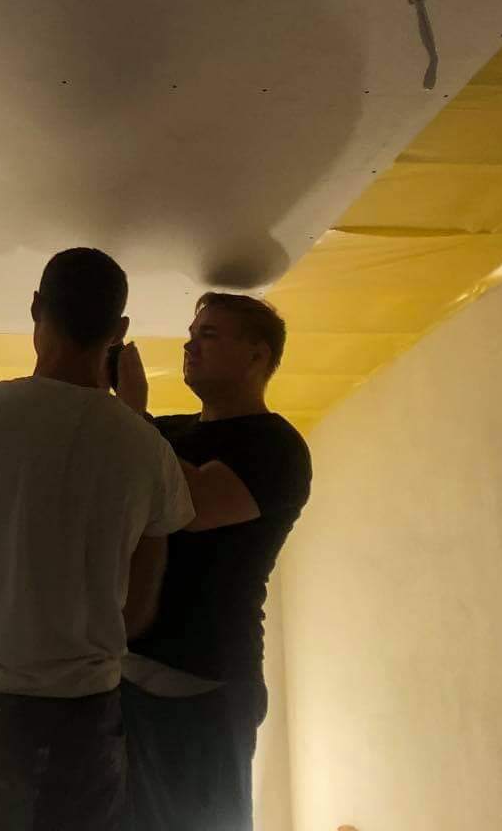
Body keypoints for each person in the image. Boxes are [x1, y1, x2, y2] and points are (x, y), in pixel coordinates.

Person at [0, 248, 194, 831]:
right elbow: (138, 613)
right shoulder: (149, 451)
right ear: (119, 330)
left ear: (37, 307)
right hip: (87, 722)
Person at [114, 292, 312, 831]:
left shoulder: (275, 445)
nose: (189, 345)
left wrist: (131, 417)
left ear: (257, 355)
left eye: (209, 335)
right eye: (191, 334)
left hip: (205, 681)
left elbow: (195, 505)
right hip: (126, 673)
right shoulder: (165, 433)